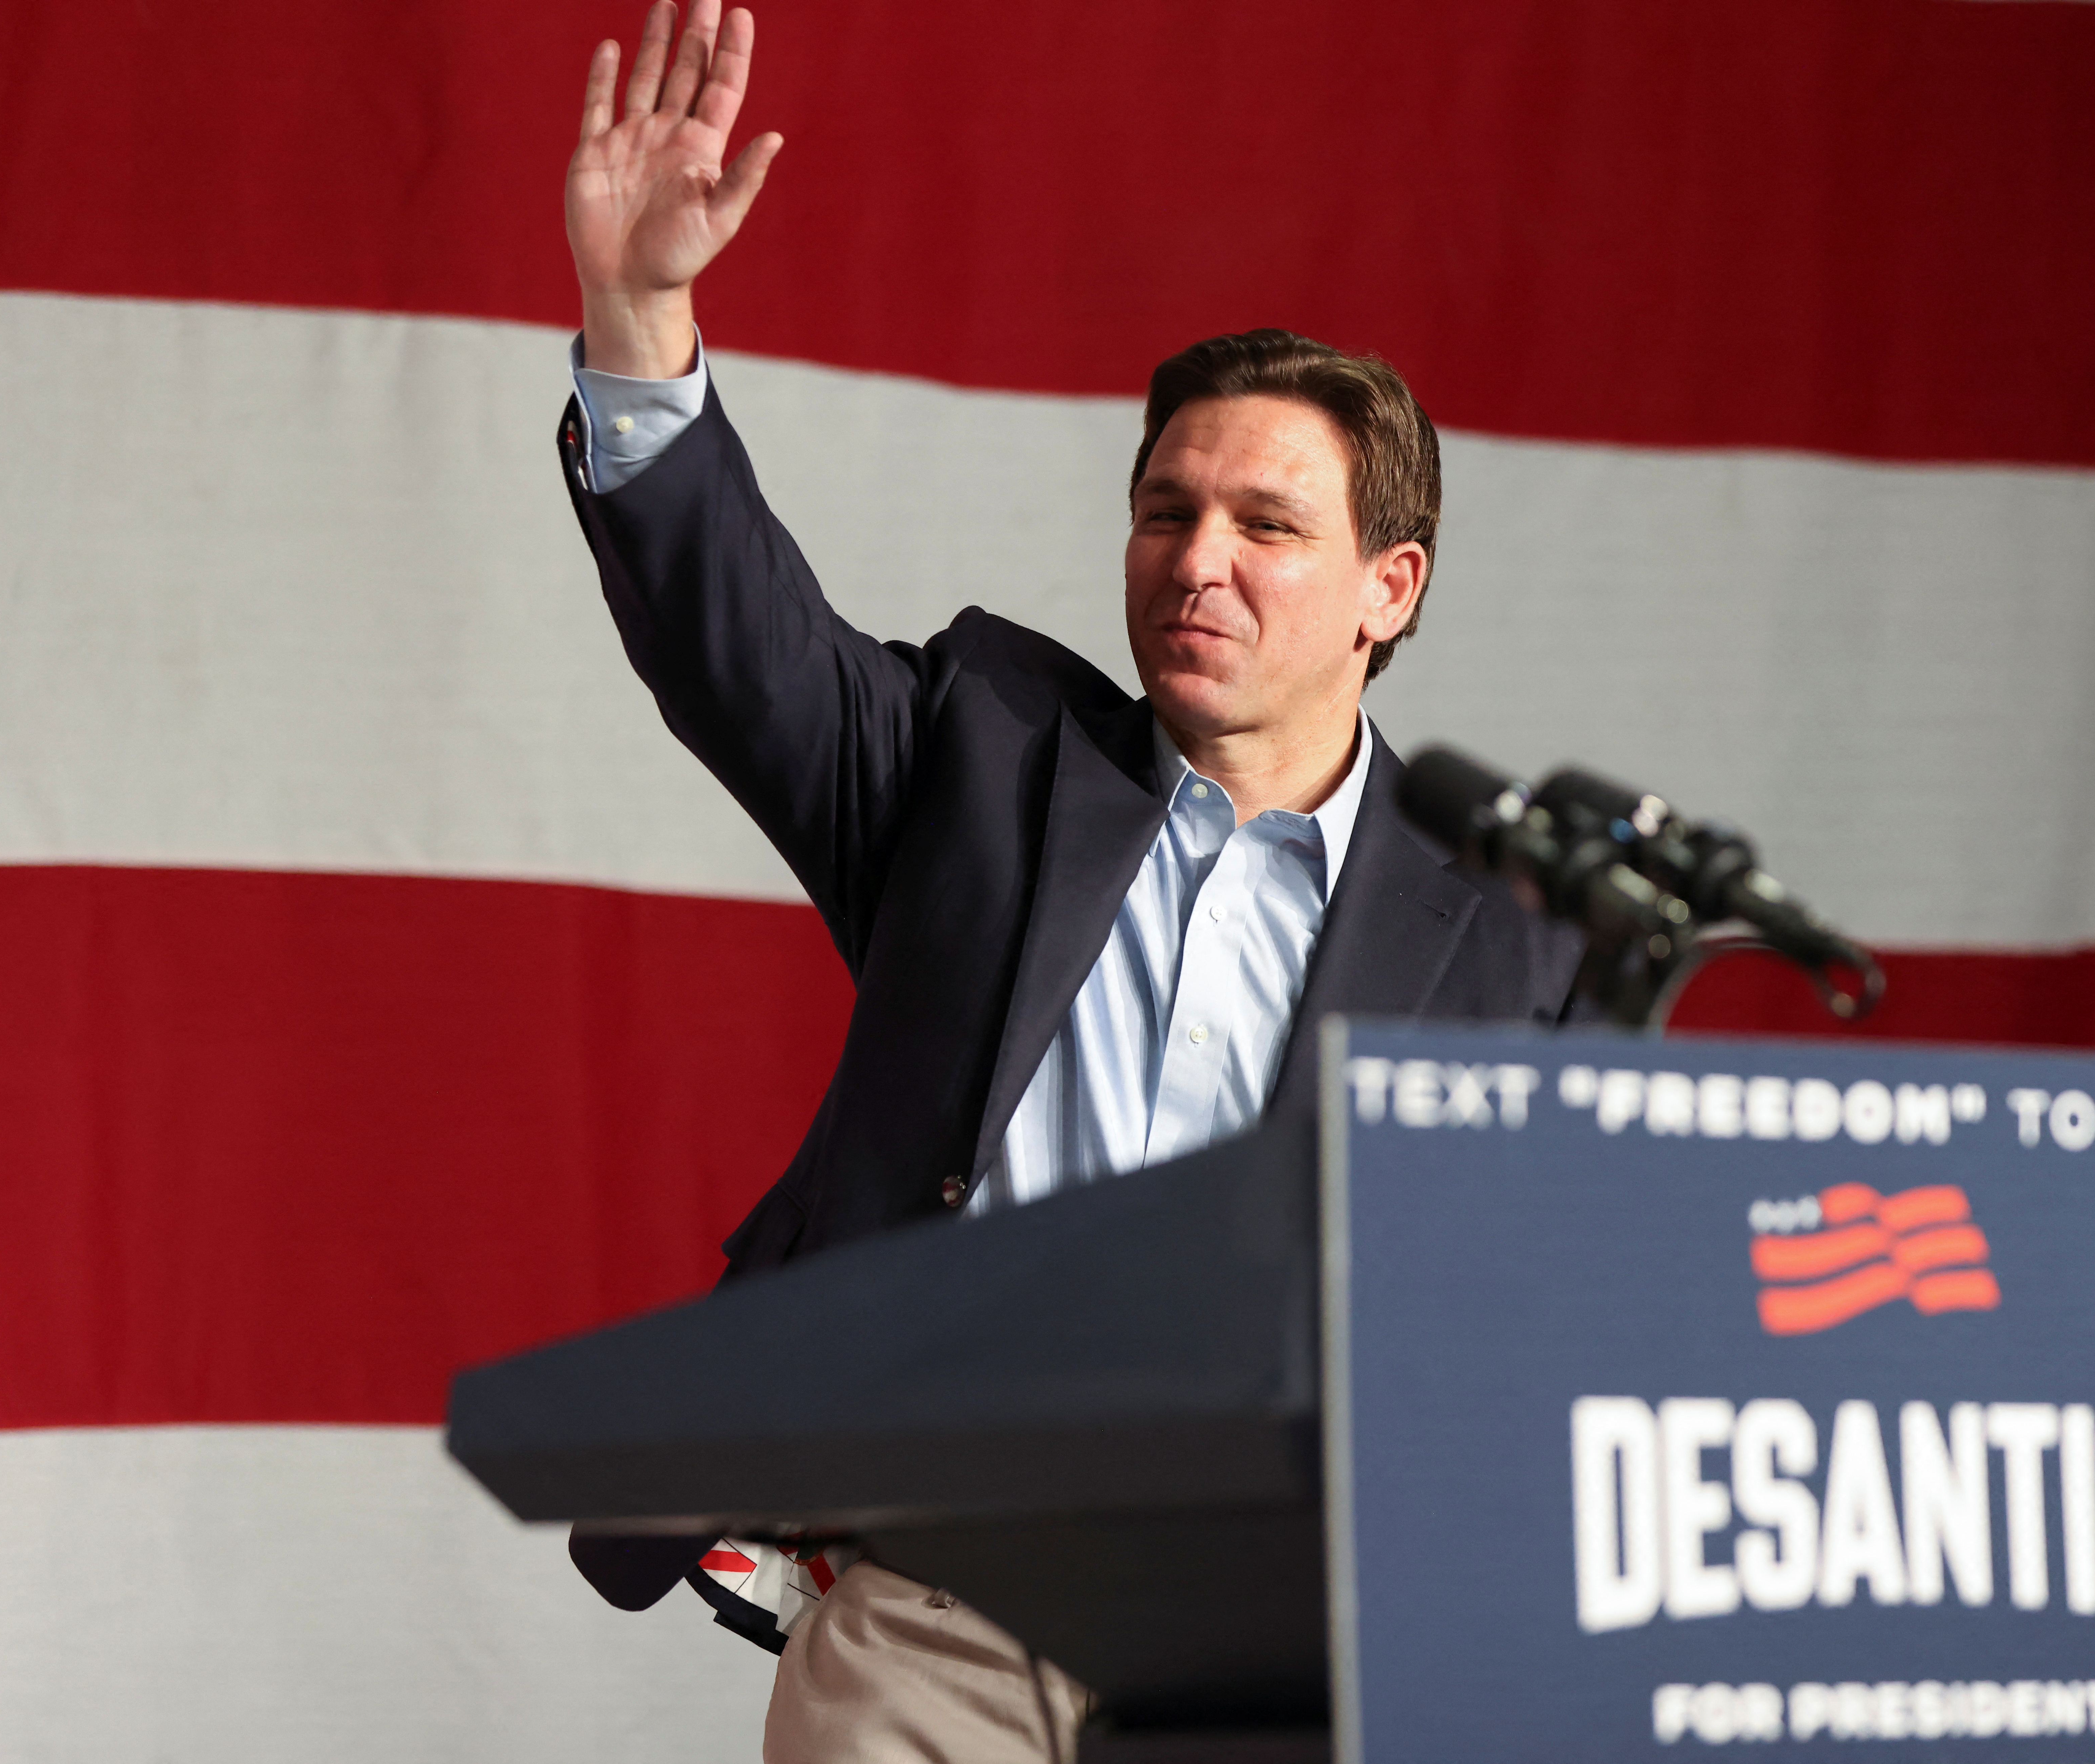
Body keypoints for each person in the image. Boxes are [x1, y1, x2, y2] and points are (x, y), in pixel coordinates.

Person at [554, 3, 1582, 1757]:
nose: (1202, 562)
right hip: (939, 1609)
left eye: (1269, 526)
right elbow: (740, 651)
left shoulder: (1510, 938)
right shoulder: (984, 753)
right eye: (1168, 511)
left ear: (1387, 588)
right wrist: (640, 322)